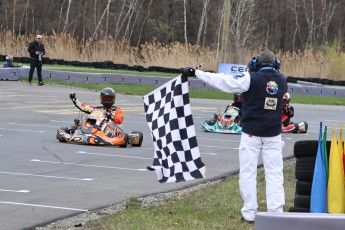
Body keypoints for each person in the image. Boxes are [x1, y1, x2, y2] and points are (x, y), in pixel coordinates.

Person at [182, 50, 287, 223]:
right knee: (275, 174)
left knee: (248, 173)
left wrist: (198, 73)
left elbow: (224, 82)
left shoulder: (249, 78)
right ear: (276, 64)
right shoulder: (282, 81)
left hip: (251, 133)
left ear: (255, 64)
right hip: (273, 134)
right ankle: (276, 213)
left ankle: (249, 213)